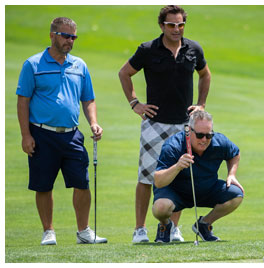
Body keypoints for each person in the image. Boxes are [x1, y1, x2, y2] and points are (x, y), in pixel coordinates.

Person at [119, 5, 211, 243]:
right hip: (154, 124)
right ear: (162, 26)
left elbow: (205, 74)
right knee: (147, 177)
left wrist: (200, 104)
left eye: (180, 24)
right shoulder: (148, 49)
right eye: (171, 25)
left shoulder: (193, 49)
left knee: (180, 176)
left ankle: (173, 228)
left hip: (184, 125)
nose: (176, 29)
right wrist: (135, 103)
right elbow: (124, 73)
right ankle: (140, 230)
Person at [16, 17, 107, 245]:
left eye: (73, 37)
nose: (70, 41)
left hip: (72, 134)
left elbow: (88, 99)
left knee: (82, 182)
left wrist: (93, 122)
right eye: (65, 36)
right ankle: (48, 231)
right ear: (52, 35)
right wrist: (26, 135)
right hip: (42, 133)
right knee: (43, 184)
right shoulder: (33, 65)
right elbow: (23, 101)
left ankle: (84, 231)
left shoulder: (79, 65)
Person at [152, 110, 244, 242]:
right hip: (175, 192)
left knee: (236, 194)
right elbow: (159, 181)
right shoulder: (173, 145)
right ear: (189, 131)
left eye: (209, 135)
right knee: (160, 208)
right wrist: (177, 166)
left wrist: (232, 174)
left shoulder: (219, 141)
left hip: (206, 189)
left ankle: (204, 224)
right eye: (200, 135)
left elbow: (235, 154)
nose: (205, 140)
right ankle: (165, 226)